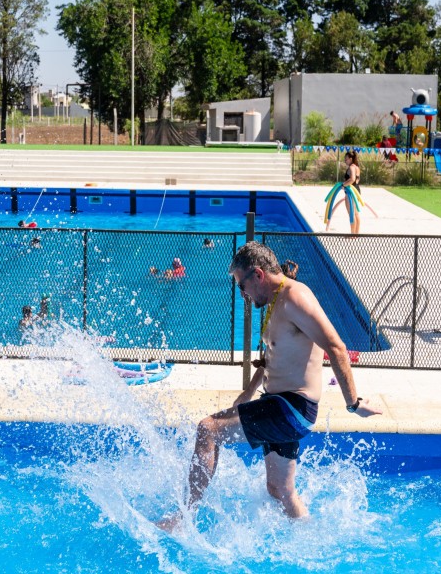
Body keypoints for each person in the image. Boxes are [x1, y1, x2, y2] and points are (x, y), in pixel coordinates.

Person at [156, 242, 382, 532]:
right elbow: (272, 357)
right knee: (280, 490)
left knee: (208, 429)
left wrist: (353, 403)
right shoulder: (276, 300)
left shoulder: (295, 298)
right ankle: (308, 539)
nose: (243, 295)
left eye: (242, 285)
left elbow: (336, 347)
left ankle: (183, 518)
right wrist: (249, 392)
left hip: (290, 408)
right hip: (283, 405)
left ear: (258, 275)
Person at [343, 150, 362, 235]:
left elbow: (352, 179)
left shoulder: (351, 167)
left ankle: (352, 234)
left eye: (346, 159)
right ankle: (356, 234)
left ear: (350, 159)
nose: (345, 161)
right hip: (356, 190)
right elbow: (357, 180)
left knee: (351, 213)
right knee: (356, 213)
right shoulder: (357, 167)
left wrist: (343, 185)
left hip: (351, 191)